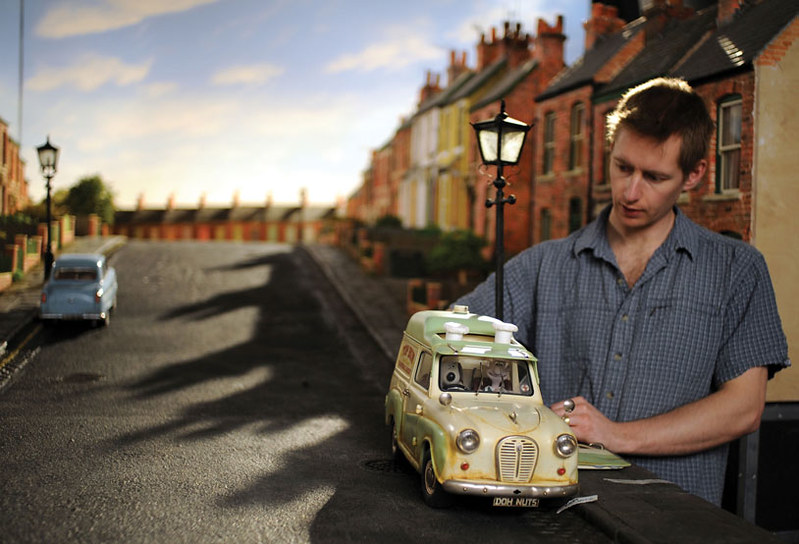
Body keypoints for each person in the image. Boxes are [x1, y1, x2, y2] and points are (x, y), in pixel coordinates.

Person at [455, 77, 790, 505]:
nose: (631, 192)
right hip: (549, 518)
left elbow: (744, 409)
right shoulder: (540, 266)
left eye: (654, 177)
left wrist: (614, 435)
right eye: (623, 167)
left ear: (695, 175)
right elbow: (454, 342)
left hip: (673, 524)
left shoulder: (737, 270)